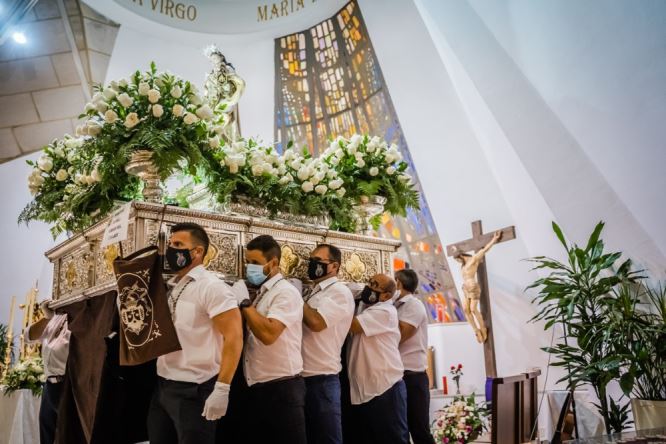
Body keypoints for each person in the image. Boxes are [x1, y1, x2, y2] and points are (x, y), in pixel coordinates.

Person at [148, 222, 243, 444]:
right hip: (164, 385)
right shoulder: (176, 286)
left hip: (195, 390)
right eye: (170, 244)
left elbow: (234, 336)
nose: (171, 250)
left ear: (198, 251)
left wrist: (222, 388)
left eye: (178, 244)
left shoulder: (212, 287)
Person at [237, 235, 306, 444]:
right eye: (248, 262)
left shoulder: (286, 293)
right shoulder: (264, 292)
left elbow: (268, 334)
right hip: (259, 387)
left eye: (255, 263)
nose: (250, 268)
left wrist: (245, 304)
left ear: (273, 263)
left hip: (282, 389)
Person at [301, 244, 354, 444]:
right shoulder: (313, 292)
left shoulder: (339, 292)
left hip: (322, 379)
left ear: (334, 266)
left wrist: (297, 299)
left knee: (326, 438)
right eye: (311, 260)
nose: (312, 265)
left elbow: (316, 323)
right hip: (301, 376)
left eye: (318, 261)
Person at [347, 274, 408, 444]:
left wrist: (342, 300)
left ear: (387, 296)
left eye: (374, 285)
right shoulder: (367, 306)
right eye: (369, 282)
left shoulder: (385, 311)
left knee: (393, 438)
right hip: (368, 390)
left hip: (386, 388)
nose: (369, 287)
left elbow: (352, 325)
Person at [394, 269, 434, 444]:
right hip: (397, 376)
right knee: (399, 430)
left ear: (397, 283)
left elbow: (400, 335)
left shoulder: (413, 305)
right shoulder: (394, 305)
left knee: (419, 430)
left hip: (413, 376)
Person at [26, 301, 70, 444]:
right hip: (49, 385)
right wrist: (47, 317)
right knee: (47, 436)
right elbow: (28, 336)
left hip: (68, 385)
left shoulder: (81, 316)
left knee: (67, 435)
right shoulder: (55, 316)